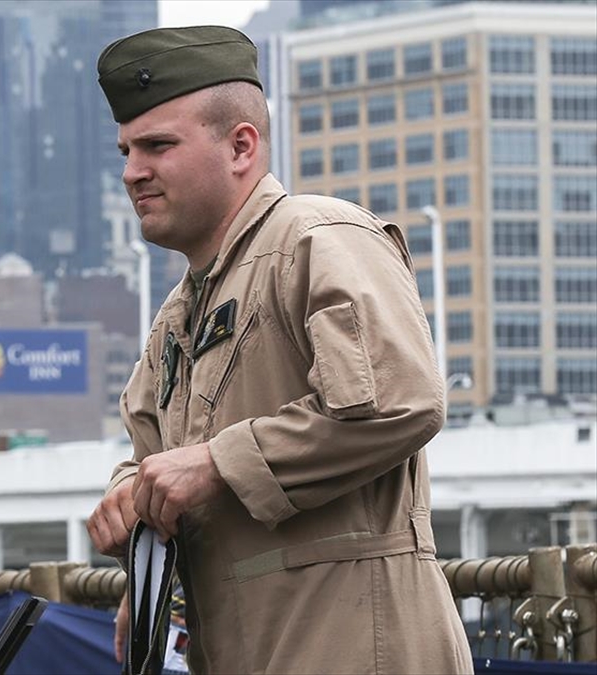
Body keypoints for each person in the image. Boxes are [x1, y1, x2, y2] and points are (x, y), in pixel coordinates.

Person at [85, 26, 472, 674]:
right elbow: (159, 461)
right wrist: (132, 504)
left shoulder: (319, 238)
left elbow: (404, 401)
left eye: (157, 146)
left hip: (353, 649)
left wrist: (214, 464)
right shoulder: (178, 314)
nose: (132, 172)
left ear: (241, 146)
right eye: (126, 150)